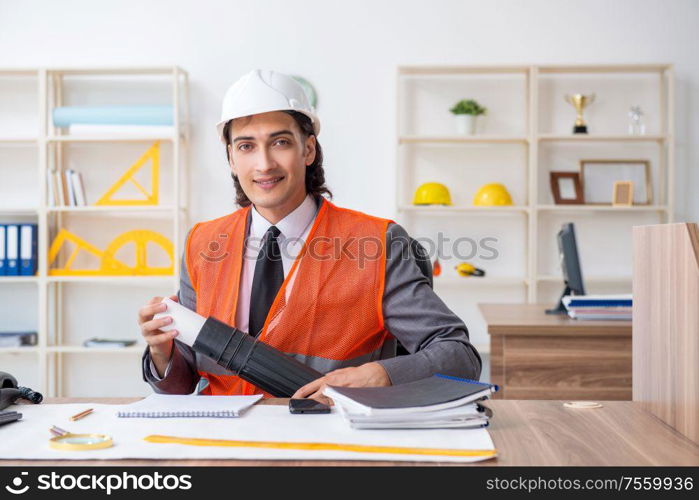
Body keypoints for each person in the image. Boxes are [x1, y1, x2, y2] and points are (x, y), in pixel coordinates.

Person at [138, 69, 481, 401]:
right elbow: (182, 386)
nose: (264, 164)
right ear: (230, 157)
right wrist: (162, 351)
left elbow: (459, 357)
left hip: (328, 439)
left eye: (281, 142)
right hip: (224, 443)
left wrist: (382, 375)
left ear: (309, 150)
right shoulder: (202, 244)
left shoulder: (378, 244)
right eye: (246, 147)